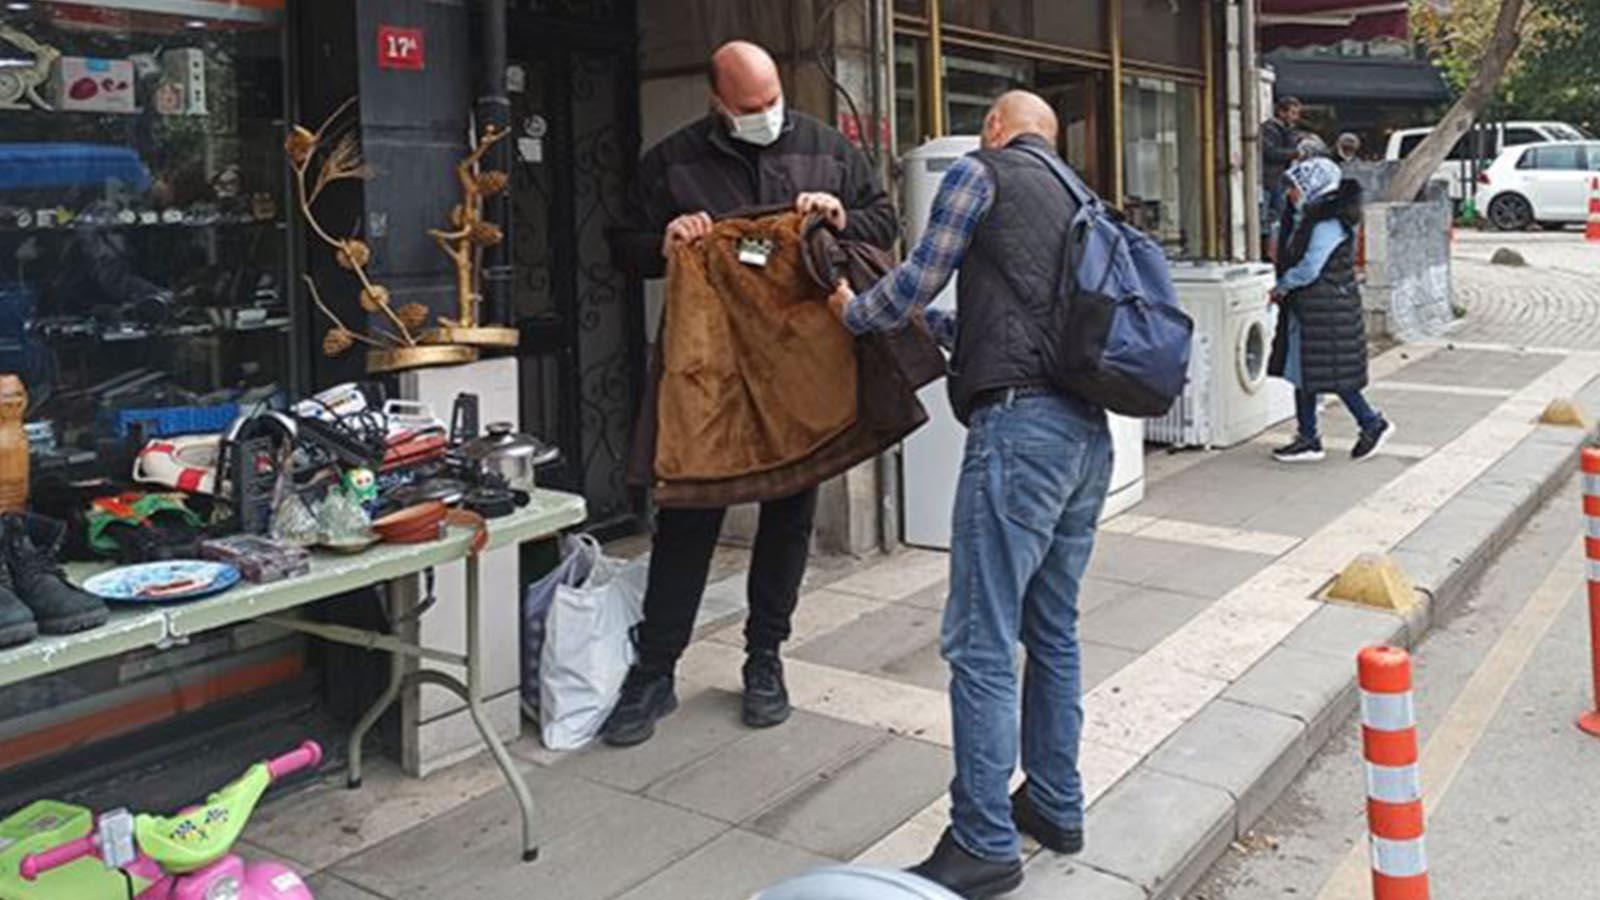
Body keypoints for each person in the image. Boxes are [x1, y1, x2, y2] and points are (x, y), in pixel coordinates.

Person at [828, 91, 1108, 899]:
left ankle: (983, 840)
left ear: (994, 128)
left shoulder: (979, 174)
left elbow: (916, 282)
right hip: (1085, 435)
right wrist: (943, 333)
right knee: (1051, 629)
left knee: (980, 642)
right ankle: (1055, 803)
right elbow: (1010, 315)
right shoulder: (1079, 196)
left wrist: (855, 312)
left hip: (1019, 435)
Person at [603, 41, 897, 748]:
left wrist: (840, 218)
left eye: (773, 103)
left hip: (797, 367)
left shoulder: (826, 150)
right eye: (750, 107)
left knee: (789, 514)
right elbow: (620, 245)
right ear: (718, 103)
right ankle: (655, 671)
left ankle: (766, 658)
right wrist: (664, 240)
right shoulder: (672, 161)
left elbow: (886, 222)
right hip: (705, 367)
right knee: (688, 517)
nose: (766, 115)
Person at [1268, 157, 1395, 463]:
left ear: (1314, 189)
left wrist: (1283, 285)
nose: (1291, 195)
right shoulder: (1314, 217)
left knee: (1334, 375)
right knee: (1306, 371)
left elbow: (1311, 267)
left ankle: (1371, 423)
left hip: (1326, 308)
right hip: (1316, 307)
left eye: (1296, 189)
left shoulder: (1326, 223)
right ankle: (1309, 438)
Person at [1261, 96, 1303, 259]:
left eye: (1296, 113)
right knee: (1270, 219)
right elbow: (1270, 152)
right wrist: (1296, 153)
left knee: (1277, 218)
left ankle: (1276, 253)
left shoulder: (1286, 130)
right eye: (1292, 113)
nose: (1295, 117)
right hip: (1270, 180)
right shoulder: (1270, 129)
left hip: (1279, 180)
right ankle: (1269, 254)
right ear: (1281, 112)